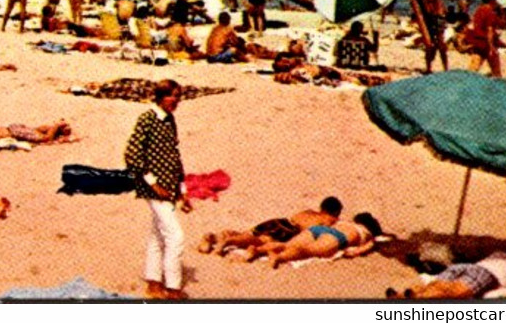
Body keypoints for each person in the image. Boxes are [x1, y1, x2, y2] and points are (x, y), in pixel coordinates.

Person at [124, 79, 192, 300]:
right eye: (173, 96)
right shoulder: (147, 118)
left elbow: (174, 154)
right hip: (154, 187)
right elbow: (132, 154)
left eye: (179, 97)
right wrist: (153, 183)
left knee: (157, 236)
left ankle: (153, 284)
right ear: (161, 96)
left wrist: (182, 189)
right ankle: (173, 288)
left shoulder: (169, 119)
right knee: (175, 236)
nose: (177, 102)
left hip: (169, 186)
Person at [197, 196, 342, 259]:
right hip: (288, 230)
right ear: (334, 213)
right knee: (259, 241)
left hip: (279, 221)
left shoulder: (308, 211)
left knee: (249, 234)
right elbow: (326, 231)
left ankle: (216, 237)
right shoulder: (327, 219)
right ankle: (227, 242)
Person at [265, 212, 383, 268]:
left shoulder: (344, 222)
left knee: (287, 245)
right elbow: (362, 249)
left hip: (320, 229)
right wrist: (353, 252)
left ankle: (257, 250)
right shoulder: (367, 234)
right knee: (308, 251)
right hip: (338, 236)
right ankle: (279, 257)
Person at [408, 0, 450, 72]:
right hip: (432, 18)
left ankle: (444, 68)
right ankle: (430, 67)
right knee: (431, 44)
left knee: (440, 44)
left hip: (438, 18)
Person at [460, 0, 505, 77]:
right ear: (492, 0)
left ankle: (466, 80)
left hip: (478, 41)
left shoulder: (479, 10)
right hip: (486, 43)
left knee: (474, 66)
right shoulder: (490, 12)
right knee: (496, 69)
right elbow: (490, 30)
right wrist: (492, 46)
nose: (496, 2)